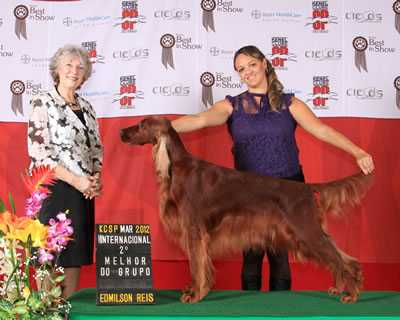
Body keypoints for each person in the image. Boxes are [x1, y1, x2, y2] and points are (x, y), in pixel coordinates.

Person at [172, 45, 374, 292]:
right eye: (240, 70)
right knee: (251, 257)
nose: (247, 73)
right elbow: (200, 119)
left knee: (282, 256)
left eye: (251, 65)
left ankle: (282, 310)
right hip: (247, 193)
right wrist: (164, 128)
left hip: (288, 188)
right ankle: (249, 309)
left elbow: (321, 129)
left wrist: (357, 151)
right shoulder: (231, 106)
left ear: (264, 64)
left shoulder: (290, 103)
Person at [27, 44, 103, 298]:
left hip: (82, 190)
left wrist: (95, 179)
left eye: (80, 67)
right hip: (54, 187)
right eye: (68, 65)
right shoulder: (43, 102)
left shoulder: (88, 107)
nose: (74, 70)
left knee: (74, 253)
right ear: (57, 70)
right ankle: (47, 309)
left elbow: (96, 151)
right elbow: (40, 155)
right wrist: (76, 180)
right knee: (49, 253)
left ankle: (67, 306)